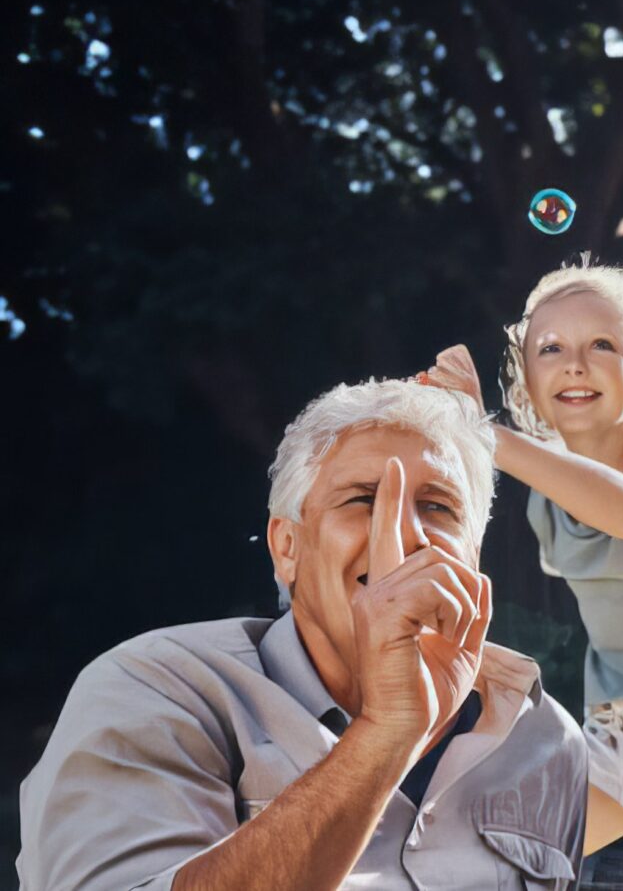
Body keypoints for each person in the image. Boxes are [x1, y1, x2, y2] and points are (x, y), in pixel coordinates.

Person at [17, 378, 588, 889]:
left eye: (438, 507)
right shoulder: (157, 689)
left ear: (474, 555)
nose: (409, 537)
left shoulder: (547, 738)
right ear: (287, 547)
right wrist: (387, 733)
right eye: (363, 499)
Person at [422, 258, 623, 854]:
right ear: (527, 387)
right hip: (617, 740)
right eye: (550, 349)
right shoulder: (547, 497)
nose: (575, 362)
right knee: (487, 855)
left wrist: (486, 433)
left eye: (602, 344)